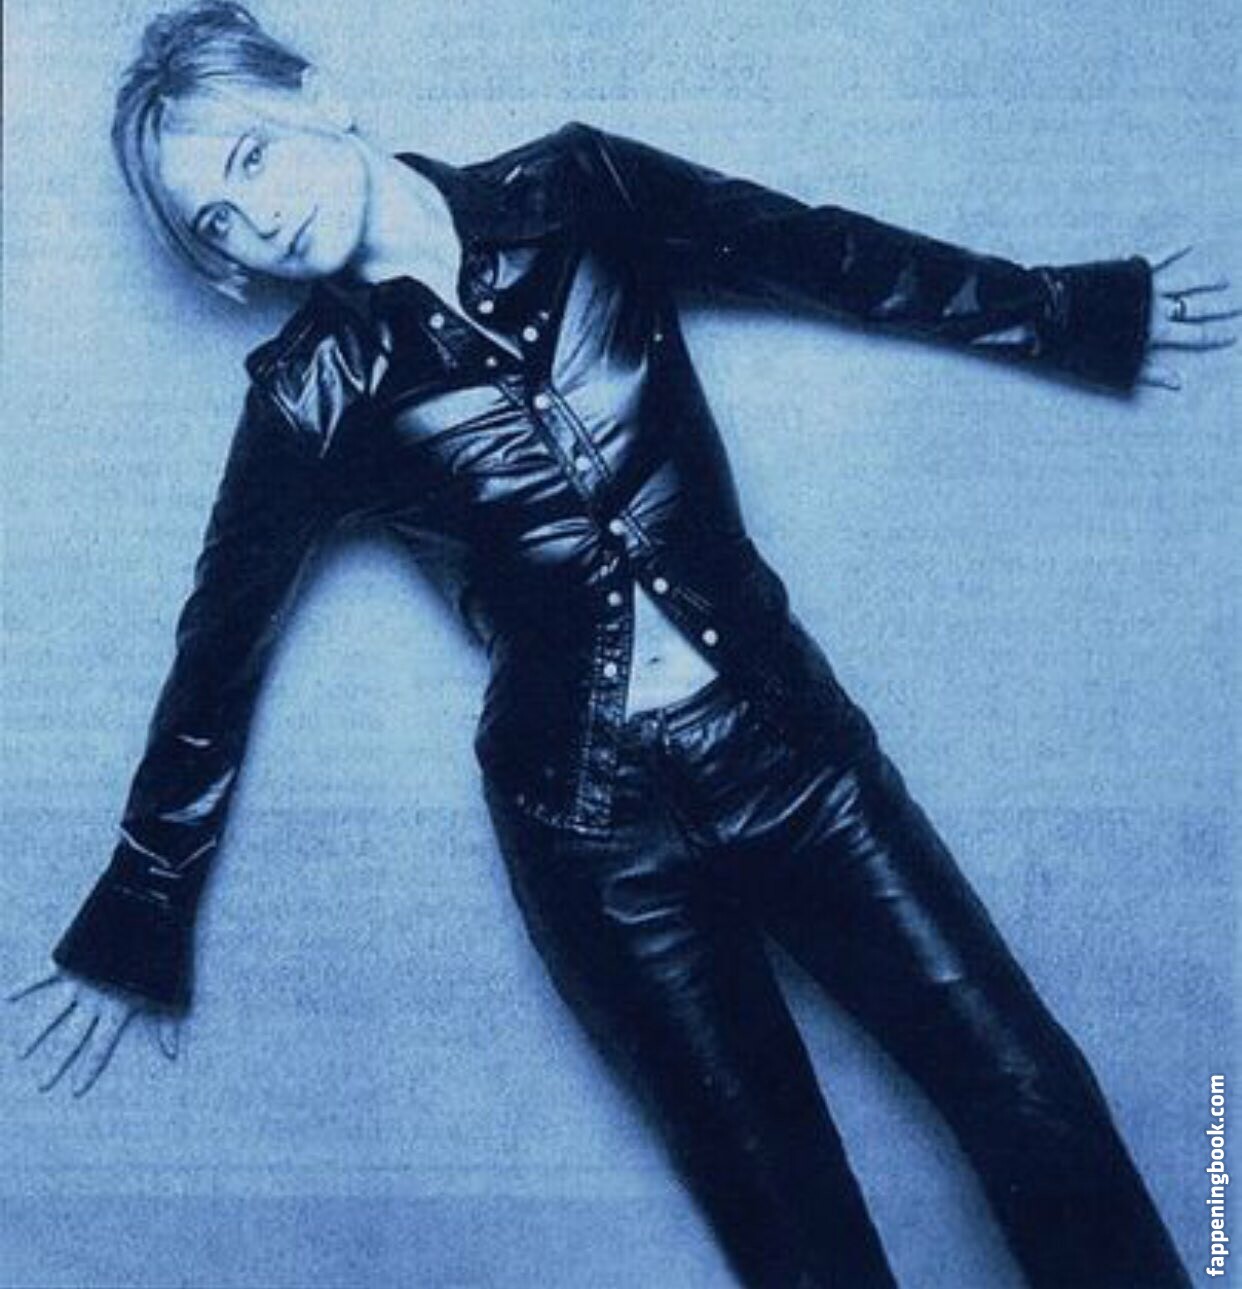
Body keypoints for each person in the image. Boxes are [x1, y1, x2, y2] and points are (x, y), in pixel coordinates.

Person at [8, 3, 1234, 1285]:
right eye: (216, 221)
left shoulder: (578, 189)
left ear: (316, 93)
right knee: (800, 1244)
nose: (257, 219)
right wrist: (139, 909)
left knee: (1033, 1099)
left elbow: (819, 251)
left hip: (794, 755)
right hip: (597, 844)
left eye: (251, 156)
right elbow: (215, 657)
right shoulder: (311, 395)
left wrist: (1066, 311)